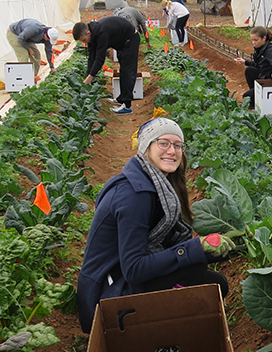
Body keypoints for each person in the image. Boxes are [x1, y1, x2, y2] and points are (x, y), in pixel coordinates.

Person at [76, 117, 233, 334]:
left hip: (115, 285)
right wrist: (194, 249)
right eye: (163, 143)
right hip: (106, 300)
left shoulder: (155, 183)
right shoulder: (135, 195)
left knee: (201, 274)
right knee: (209, 283)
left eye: (178, 145)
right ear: (146, 147)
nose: (172, 151)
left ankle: (177, 324)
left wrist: (217, 250)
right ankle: (168, 330)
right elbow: (134, 269)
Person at [73, 16, 140, 114]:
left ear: (88, 33)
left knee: (127, 72)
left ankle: (127, 106)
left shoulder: (101, 33)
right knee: (123, 71)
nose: (84, 42)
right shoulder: (92, 36)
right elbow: (92, 57)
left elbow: (100, 58)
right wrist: (88, 75)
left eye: (83, 40)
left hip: (130, 40)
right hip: (122, 42)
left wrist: (90, 78)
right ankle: (122, 98)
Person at [234, 26, 272, 110]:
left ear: (264, 38)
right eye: (252, 40)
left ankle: (257, 99)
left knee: (246, 97)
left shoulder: (270, 51)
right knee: (249, 70)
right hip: (264, 76)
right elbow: (257, 64)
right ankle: (257, 97)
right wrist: (245, 62)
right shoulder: (260, 49)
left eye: (256, 40)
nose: (253, 43)